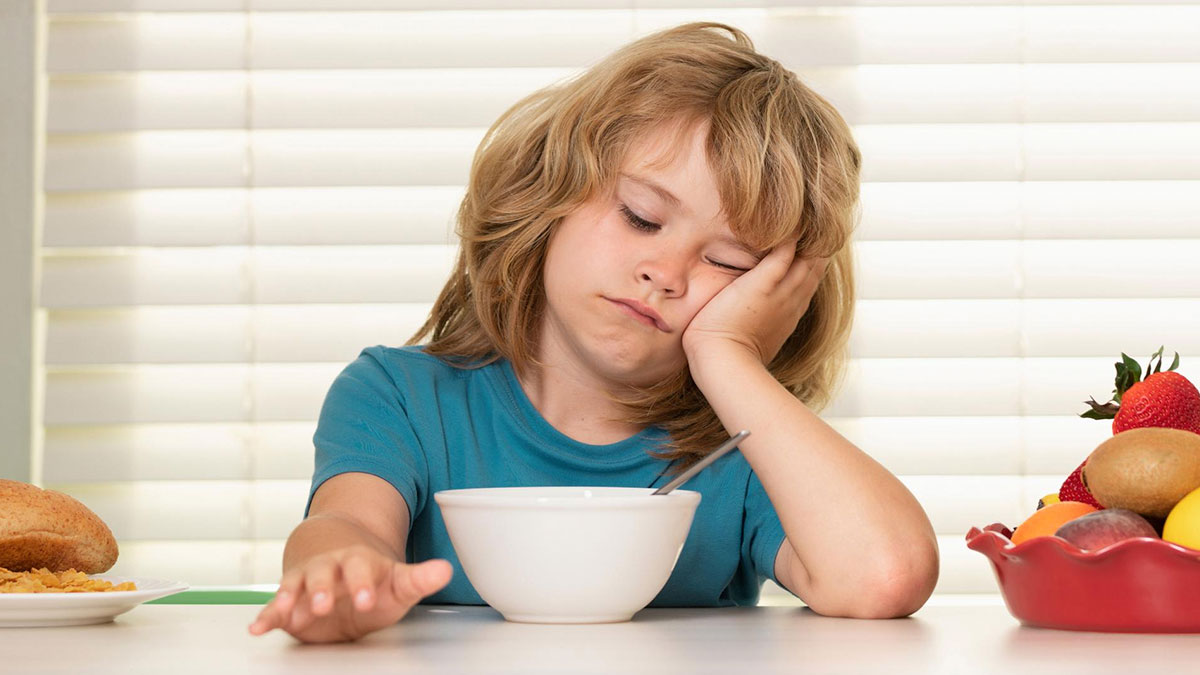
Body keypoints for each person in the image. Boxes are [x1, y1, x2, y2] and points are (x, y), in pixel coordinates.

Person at [249, 21, 939, 643]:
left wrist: (728, 357)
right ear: (549, 191)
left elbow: (882, 575)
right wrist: (337, 574)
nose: (665, 273)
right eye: (641, 216)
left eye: (727, 263)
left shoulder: (747, 451)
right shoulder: (400, 396)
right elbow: (348, 528)